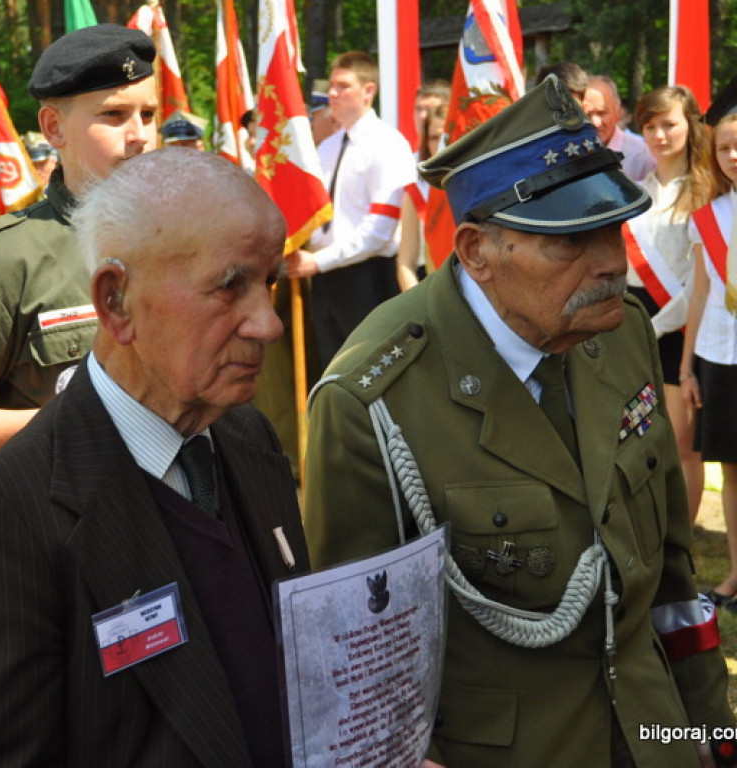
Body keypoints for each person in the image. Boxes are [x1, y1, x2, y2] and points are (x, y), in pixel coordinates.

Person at [303, 75, 734, 767]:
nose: (611, 264)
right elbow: (363, 668)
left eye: (612, 230)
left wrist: (712, 733)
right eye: (569, 243)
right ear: (476, 251)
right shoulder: (372, 398)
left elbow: (673, 585)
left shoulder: (619, 331)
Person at [0, 148, 311, 766]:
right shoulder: (0, 520)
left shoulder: (250, 441)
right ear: (116, 302)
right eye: (231, 287)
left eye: (270, 283)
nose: (268, 324)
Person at [0, 24, 157, 463]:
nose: (139, 134)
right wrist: (77, 421)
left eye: (148, 115)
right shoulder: (7, 259)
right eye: (114, 115)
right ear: (54, 128)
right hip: (57, 520)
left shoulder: (184, 241)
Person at [287, 51, 416, 366]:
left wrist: (318, 261)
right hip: (324, 277)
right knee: (334, 370)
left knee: (371, 371)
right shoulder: (327, 147)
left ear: (368, 91)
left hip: (368, 277)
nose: (332, 94)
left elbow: (379, 229)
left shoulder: (387, 143)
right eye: (331, 86)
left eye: (343, 86)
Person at [628, 86, 713, 524]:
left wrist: (661, 325)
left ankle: (682, 543)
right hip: (633, 330)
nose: (659, 134)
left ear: (690, 125)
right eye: (649, 126)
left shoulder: (708, 195)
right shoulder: (633, 193)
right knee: (638, 441)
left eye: (669, 124)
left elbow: (705, 280)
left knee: (683, 447)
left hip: (681, 333)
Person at [682, 112, 737, 610]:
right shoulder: (709, 216)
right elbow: (699, 294)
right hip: (720, 355)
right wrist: (686, 368)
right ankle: (736, 575)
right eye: (724, 148)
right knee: (731, 468)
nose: (733, 156)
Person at [398, 100, 449, 292]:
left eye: (447, 137)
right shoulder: (416, 192)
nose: (442, 146)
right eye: (435, 138)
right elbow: (406, 264)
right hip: (431, 287)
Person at [584, 74, 656, 182]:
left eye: (602, 113)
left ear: (618, 112)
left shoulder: (642, 157)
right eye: (587, 115)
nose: (596, 123)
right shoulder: (567, 154)